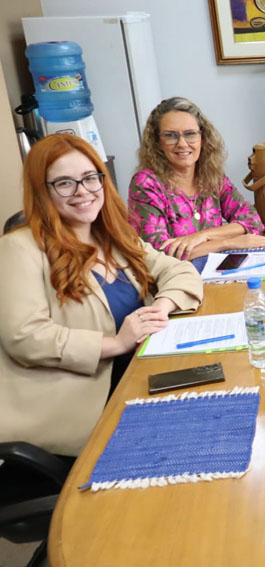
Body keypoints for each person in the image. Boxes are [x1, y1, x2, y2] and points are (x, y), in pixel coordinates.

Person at [0, 134, 204, 456]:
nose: (83, 191)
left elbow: (178, 270)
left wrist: (161, 308)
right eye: (64, 183)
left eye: (90, 178)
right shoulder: (18, 248)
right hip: (78, 409)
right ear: (42, 190)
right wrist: (117, 344)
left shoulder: (113, 237)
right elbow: (25, 336)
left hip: (138, 380)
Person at [128, 97, 265, 261]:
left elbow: (252, 220)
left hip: (216, 269)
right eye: (170, 136)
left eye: (190, 134)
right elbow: (158, 253)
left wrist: (203, 236)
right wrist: (227, 243)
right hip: (174, 275)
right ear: (157, 142)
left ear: (203, 138)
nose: (182, 144)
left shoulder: (211, 175)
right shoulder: (146, 184)